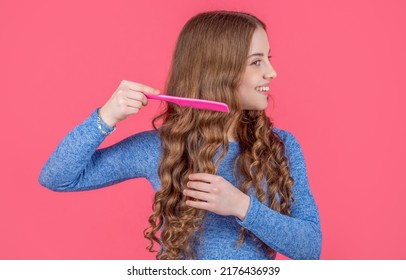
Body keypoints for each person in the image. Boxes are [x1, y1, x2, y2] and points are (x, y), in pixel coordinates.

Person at [39, 10, 322, 260]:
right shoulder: (162, 149)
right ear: (217, 71)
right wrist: (106, 117)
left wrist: (241, 205)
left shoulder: (280, 147)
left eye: (268, 59)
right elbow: (58, 177)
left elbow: (311, 248)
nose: (271, 73)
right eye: (256, 62)